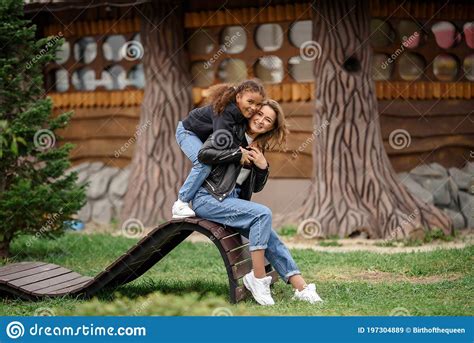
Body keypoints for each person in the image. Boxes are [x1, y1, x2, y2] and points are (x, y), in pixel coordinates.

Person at [193, 99, 324, 305]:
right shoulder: (228, 132)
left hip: (232, 202)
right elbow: (205, 154)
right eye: (259, 114)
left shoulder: (258, 146)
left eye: (268, 120)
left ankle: (302, 288)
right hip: (208, 198)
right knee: (263, 214)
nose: (261, 121)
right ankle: (258, 278)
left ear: (272, 127)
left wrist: (263, 167)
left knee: (271, 238)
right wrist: (238, 153)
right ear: (251, 113)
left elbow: (255, 187)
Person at [172, 79, 266, 219]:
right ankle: (181, 203)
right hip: (187, 132)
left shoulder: (241, 114)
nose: (254, 108)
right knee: (203, 163)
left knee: (212, 160)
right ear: (238, 97)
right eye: (250, 102)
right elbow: (222, 140)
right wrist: (238, 153)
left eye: (258, 104)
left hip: (202, 137)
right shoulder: (226, 112)